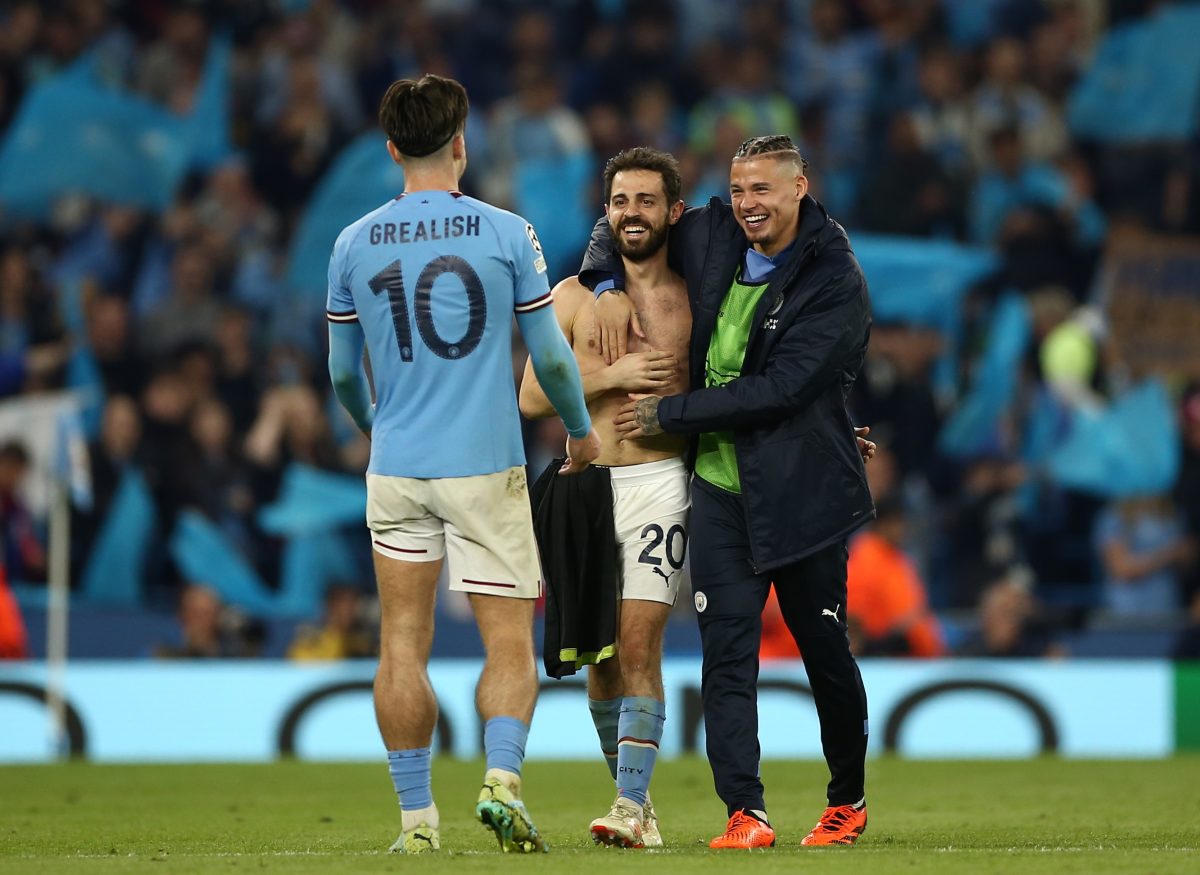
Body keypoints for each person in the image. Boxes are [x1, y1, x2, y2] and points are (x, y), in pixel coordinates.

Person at [325, 74, 600, 855]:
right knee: (507, 641)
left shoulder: (352, 243)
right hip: (484, 465)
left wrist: (376, 428)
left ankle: (416, 823)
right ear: (460, 143)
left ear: (391, 150)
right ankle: (501, 780)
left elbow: (343, 374)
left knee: (400, 643)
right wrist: (580, 431)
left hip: (398, 466)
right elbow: (551, 356)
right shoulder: (507, 232)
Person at [582, 135, 874, 849]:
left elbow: (782, 389)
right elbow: (624, 223)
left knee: (823, 650)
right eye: (738, 189)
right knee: (727, 658)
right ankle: (745, 811)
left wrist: (670, 413)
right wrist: (605, 286)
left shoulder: (834, 277)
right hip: (719, 485)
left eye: (762, 189)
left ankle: (847, 799)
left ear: (799, 187)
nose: (747, 204)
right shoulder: (713, 233)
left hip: (803, 495)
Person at [518, 147, 691, 849]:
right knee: (601, 656)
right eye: (621, 201)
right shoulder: (570, 296)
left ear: (673, 211)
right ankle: (637, 807)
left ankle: (629, 801)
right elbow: (532, 396)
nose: (632, 213)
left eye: (646, 201)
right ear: (606, 212)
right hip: (587, 490)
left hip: (659, 484)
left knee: (639, 640)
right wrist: (614, 374)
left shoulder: (695, 299)